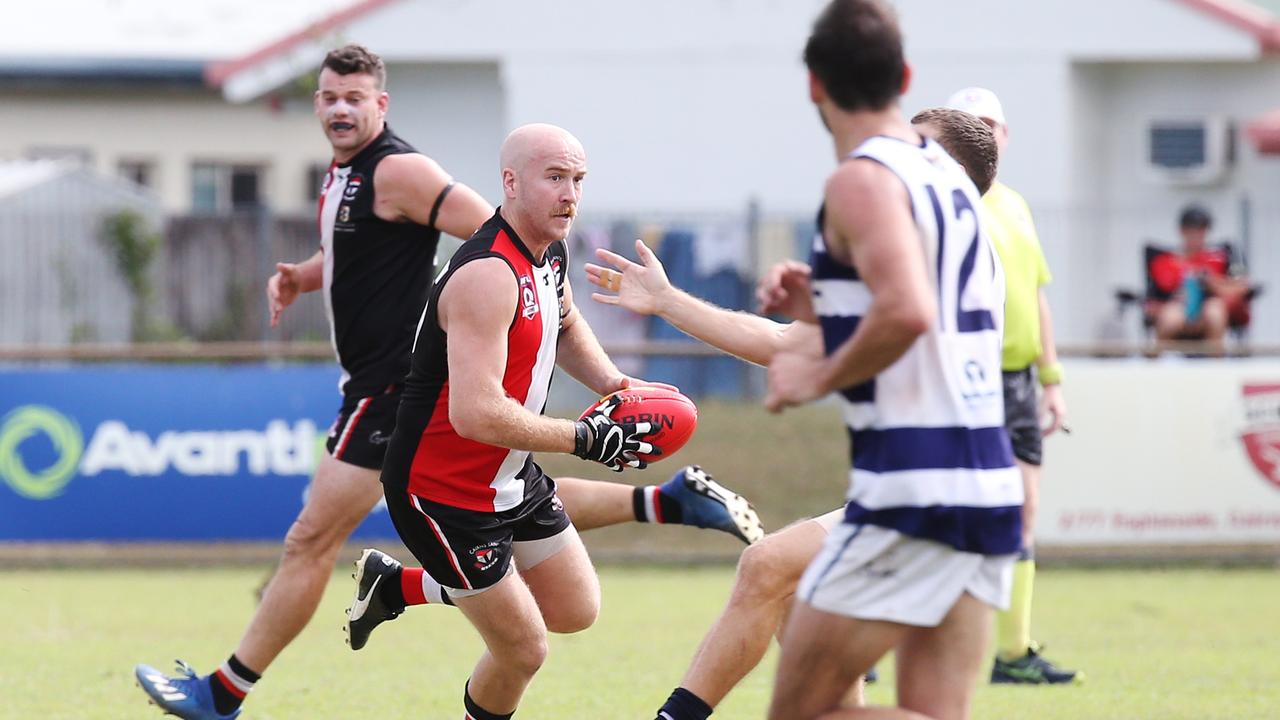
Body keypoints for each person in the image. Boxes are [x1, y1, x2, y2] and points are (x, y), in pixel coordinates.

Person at [134, 45, 760, 720]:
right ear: (317, 104)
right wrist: (312, 275)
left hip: (398, 387)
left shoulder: (412, 181)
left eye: (356, 97)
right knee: (509, 632)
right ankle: (226, 693)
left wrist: (603, 381)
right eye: (329, 97)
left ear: (382, 105)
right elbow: (408, 258)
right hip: (429, 431)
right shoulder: (360, 185)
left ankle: (385, 596)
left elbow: (483, 240)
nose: (341, 108)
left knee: (552, 600)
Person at [588, 106, 1000, 719]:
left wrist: (816, 350)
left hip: (938, 490)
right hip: (923, 487)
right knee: (789, 598)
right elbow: (787, 342)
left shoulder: (932, 256)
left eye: (923, 152)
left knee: (768, 565)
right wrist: (671, 301)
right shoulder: (913, 251)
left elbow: (849, 343)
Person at [354, 123, 668, 720]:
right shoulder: (487, 275)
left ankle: (398, 586)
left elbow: (567, 321)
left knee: (576, 608)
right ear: (510, 183)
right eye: (555, 178)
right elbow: (475, 413)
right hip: (440, 494)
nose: (570, 195)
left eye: (577, 180)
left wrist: (619, 387)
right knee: (523, 650)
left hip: (509, 480)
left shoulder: (549, 251)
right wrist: (586, 437)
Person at [762, 1, 1021, 717]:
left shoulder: (860, 180)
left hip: (913, 490)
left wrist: (812, 374)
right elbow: (939, 307)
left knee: (799, 713)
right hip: (988, 486)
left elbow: (909, 309)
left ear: (815, 85)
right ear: (905, 76)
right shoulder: (955, 185)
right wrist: (822, 299)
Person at [947, 86, 1080, 685]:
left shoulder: (1018, 205)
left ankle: (1013, 652)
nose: (985, 134)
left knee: (1022, 510)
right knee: (941, 511)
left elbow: (1035, 294)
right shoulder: (948, 205)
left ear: (1005, 135)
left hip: (1020, 379)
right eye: (971, 124)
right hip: (964, 376)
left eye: (992, 125)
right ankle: (868, 640)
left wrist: (1051, 379)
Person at [1149, 204, 1250, 351]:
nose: (1196, 235)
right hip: (1177, 310)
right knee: (1170, 317)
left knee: (1214, 311)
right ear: (1182, 231)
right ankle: (1155, 368)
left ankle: (1215, 367)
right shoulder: (1165, 262)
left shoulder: (1221, 257)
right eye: (1191, 230)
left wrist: (1212, 282)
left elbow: (1242, 286)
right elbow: (1154, 299)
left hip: (1211, 309)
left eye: (1201, 230)